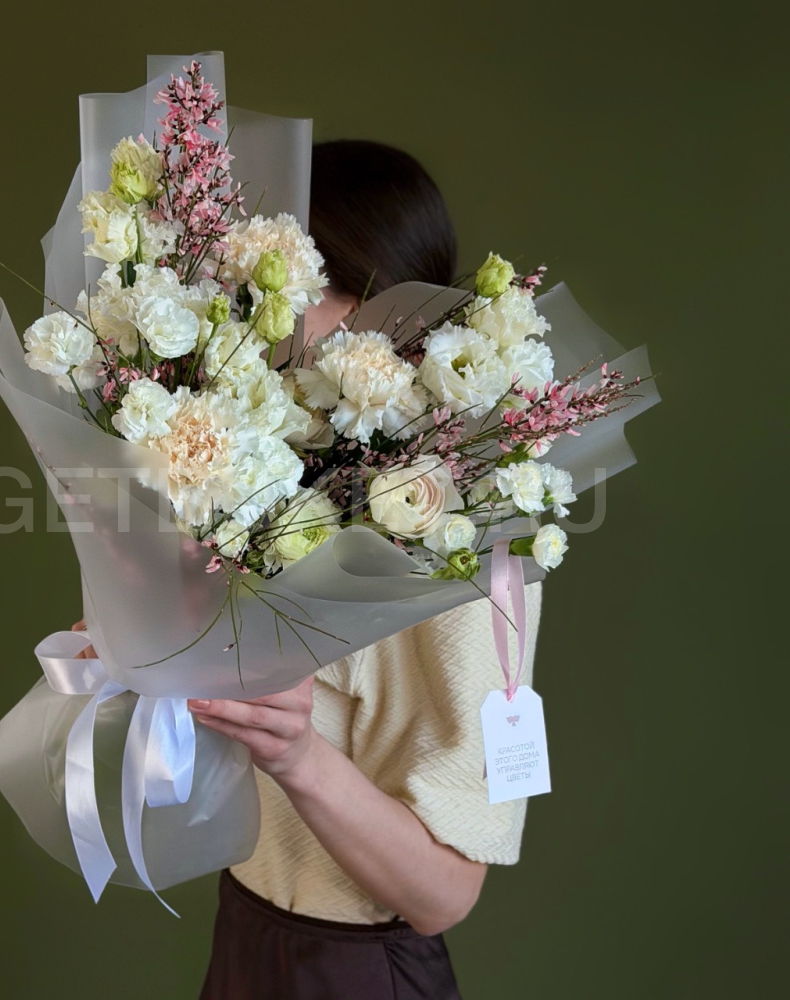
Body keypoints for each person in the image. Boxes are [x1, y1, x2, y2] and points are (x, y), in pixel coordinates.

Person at [78, 140, 544, 1000]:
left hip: (357, 969)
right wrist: (140, 649)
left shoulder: (456, 540)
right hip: (246, 931)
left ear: (381, 306)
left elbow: (446, 896)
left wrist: (299, 756)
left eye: (291, 283)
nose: (257, 312)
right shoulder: (264, 474)